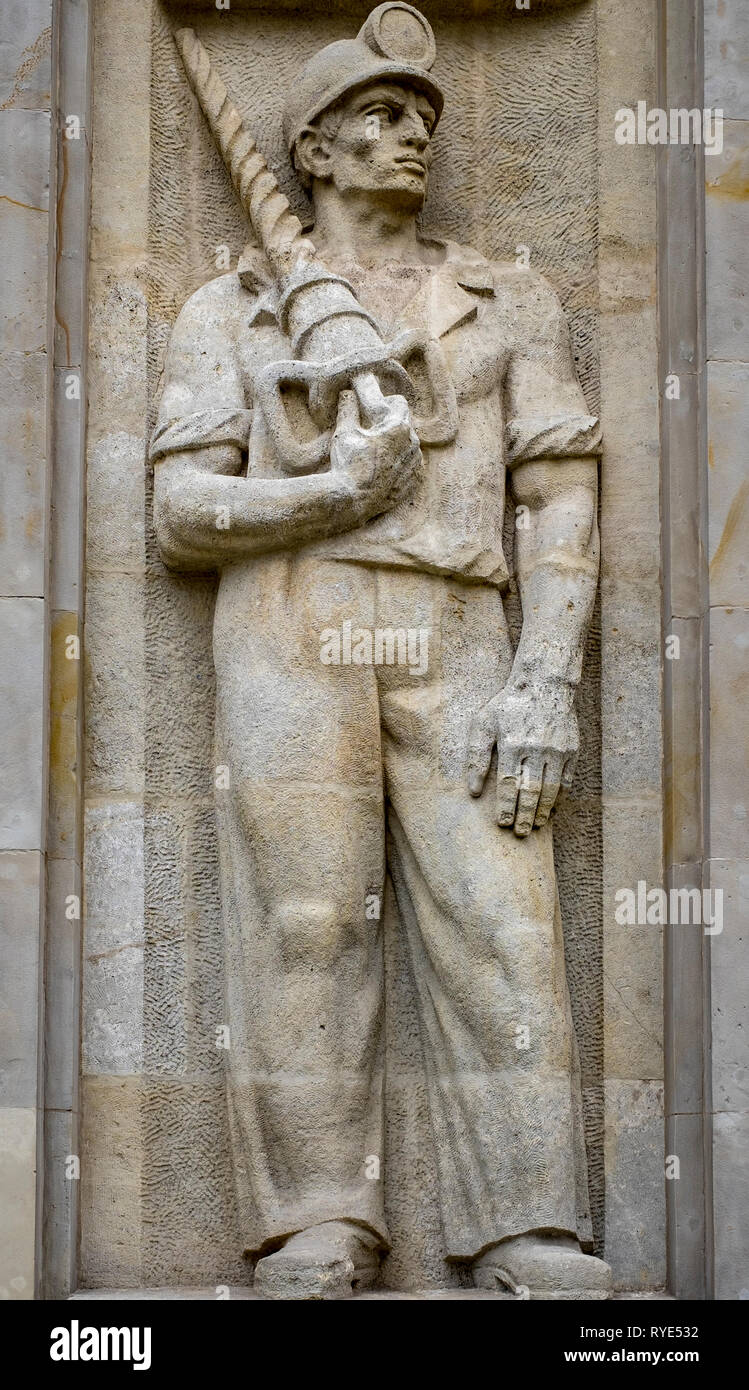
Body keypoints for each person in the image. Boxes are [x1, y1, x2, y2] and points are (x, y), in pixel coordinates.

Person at [151, 3, 609, 1299]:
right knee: (306, 923)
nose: (411, 138)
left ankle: (530, 1222)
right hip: (290, 615)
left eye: (421, 120)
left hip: (463, 619)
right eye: (379, 119)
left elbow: (562, 493)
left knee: (504, 926)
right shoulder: (233, 309)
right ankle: (320, 1221)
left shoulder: (504, 299)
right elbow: (182, 511)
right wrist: (329, 498)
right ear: (313, 150)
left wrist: (547, 678)